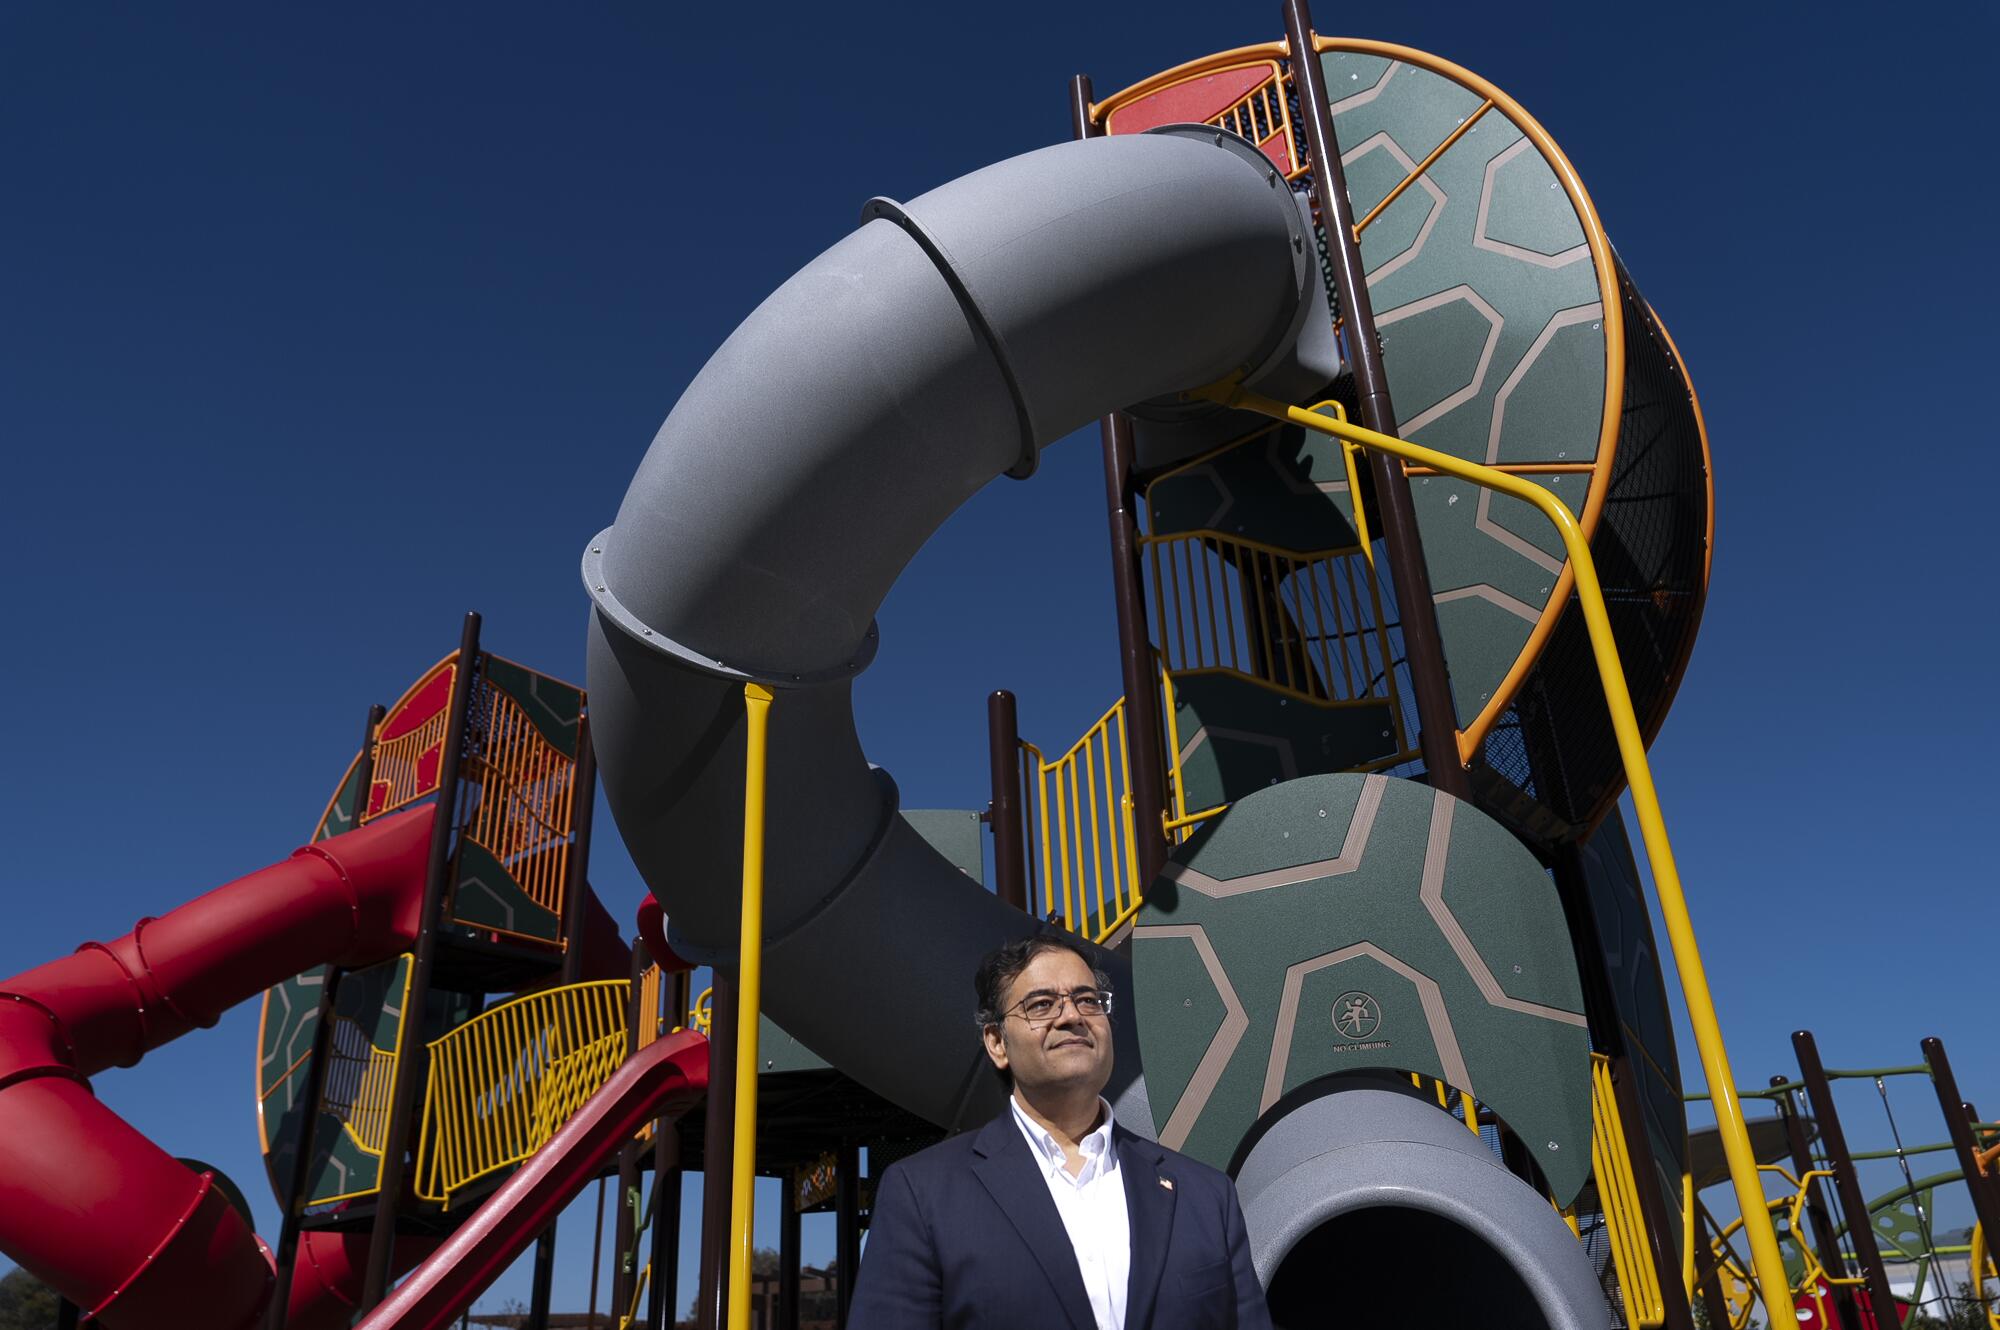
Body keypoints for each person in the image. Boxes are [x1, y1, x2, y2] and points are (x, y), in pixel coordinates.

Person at [849, 932, 1271, 1329]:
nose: (1071, 1016)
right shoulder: (922, 1195)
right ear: (997, 1042)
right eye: (1041, 1005)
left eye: (1088, 1000)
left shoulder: (1206, 1196)